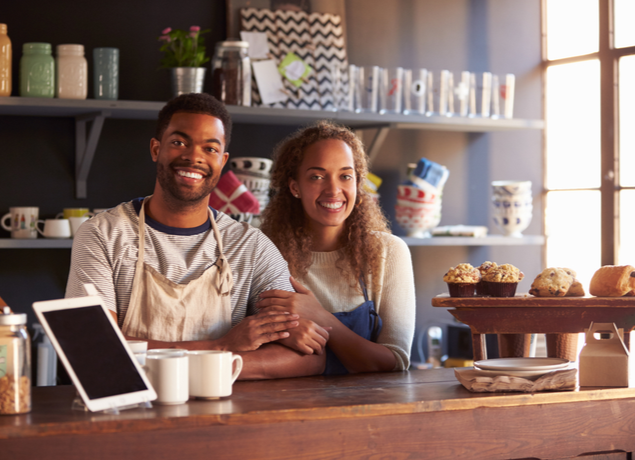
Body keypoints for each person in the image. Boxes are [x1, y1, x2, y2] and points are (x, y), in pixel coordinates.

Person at [65, 93, 329, 379]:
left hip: (225, 418)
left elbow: (309, 357)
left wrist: (209, 366)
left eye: (210, 148)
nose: (194, 157)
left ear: (223, 160)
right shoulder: (102, 235)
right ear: (156, 149)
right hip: (129, 414)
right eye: (179, 143)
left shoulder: (250, 246)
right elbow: (92, 349)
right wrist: (220, 347)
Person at [258, 120, 416, 374]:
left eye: (345, 176)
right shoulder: (264, 252)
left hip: (372, 407)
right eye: (317, 176)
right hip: (291, 406)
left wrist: (320, 317)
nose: (334, 190)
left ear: (357, 183)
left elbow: (395, 362)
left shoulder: (389, 252)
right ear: (294, 186)